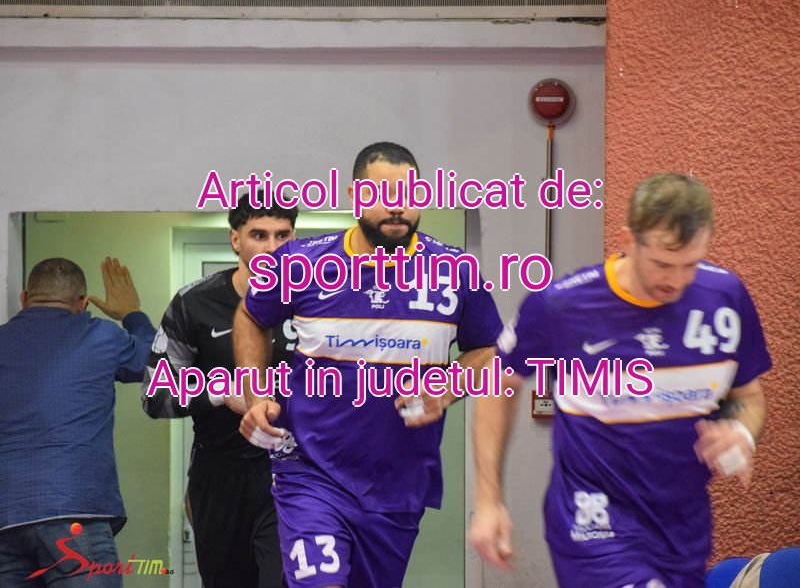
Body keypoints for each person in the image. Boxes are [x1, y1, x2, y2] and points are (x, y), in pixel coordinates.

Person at [469, 173, 772, 587]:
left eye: (690, 264)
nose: (677, 280)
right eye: (662, 264)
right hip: (592, 521)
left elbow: (749, 398)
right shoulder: (562, 305)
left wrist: (741, 432)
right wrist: (488, 500)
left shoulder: (726, 298)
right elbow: (497, 386)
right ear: (629, 241)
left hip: (683, 528)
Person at [233, 141, 502, 588]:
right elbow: (250, 315)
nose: (397, 207)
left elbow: (490, 347)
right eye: (383, 194)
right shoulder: (301, 263)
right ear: (355, 196)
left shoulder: (455, 270)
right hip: (309, 471)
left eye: (410, 195)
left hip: (398, 484)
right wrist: (255, 391)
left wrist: (450, 387)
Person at [142, 193, 298, 588]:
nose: (272, 247)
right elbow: (154, 396)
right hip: (219, 473)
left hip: (292, 469)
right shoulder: (194, 303)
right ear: (235, 240)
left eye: (282, 235)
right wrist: (220, 392)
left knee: (285, 579)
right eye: (259, 235)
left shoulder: (315, 301)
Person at [0, 257, 155, 587]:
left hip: (6, 516)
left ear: (24, 298)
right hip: (74, 511)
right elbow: (161, 365)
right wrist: (132, 314)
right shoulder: (100, 335)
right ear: (83, 303)